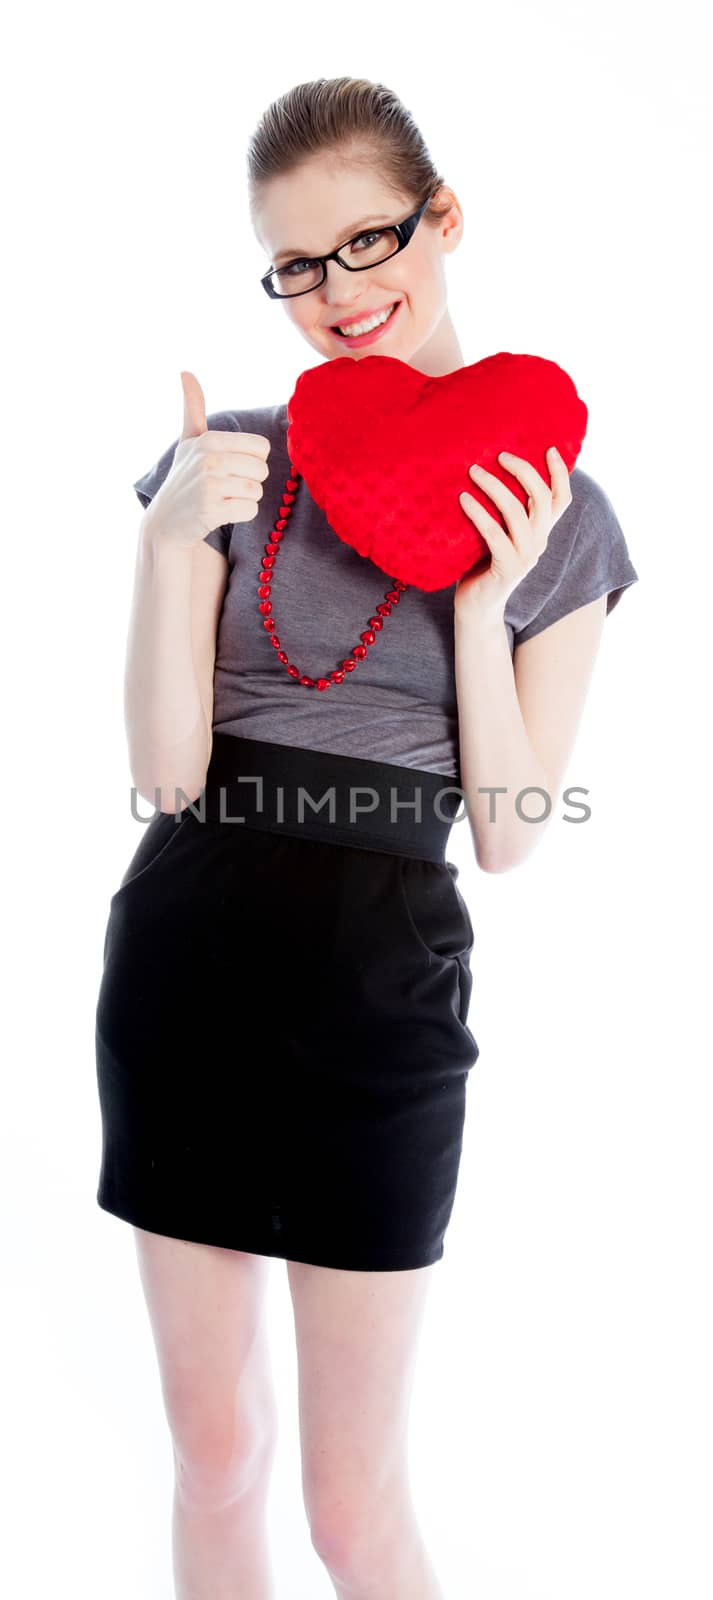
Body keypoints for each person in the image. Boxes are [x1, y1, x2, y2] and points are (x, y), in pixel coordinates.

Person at [94, 74, 639, 1600]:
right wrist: (165, 542)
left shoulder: (559, 508)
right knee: (213, 1456)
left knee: (348, 1505)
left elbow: (516, 831)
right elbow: (166, 768)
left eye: (367, 243)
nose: (336, 293)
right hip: (186, 961)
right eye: (293, 265)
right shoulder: (234, 462)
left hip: (381, 995)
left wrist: (482, 601)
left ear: (441, 219)